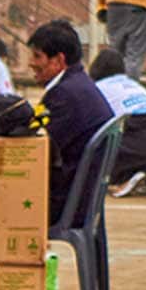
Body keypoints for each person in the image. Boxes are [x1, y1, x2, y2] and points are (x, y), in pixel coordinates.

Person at [28, 20, 111, 221]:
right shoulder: (81, 84)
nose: (31, 63)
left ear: (58, 60)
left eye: (37, 56)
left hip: (66, 202)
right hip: (82, 196)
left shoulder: (64, 96)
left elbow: (36, 148)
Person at [88, 48, 146, 197]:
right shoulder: (133, 84)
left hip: (137, 139)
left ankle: (124, 177)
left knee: (95, 144)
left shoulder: (98, 88)